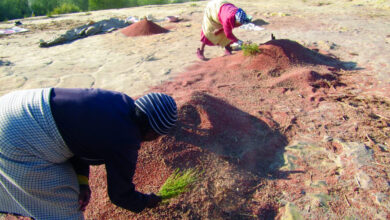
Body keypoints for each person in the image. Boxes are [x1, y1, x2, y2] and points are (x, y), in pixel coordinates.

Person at [0, 88, 178, 219]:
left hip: (15, 105)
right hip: (18, 137)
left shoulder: (120, 102)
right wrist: (148, 201)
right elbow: (120, 195)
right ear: (153, 133)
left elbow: (80, 137)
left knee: (71, 186)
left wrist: (82, 182)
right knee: (65, 207)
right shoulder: (126, 139)